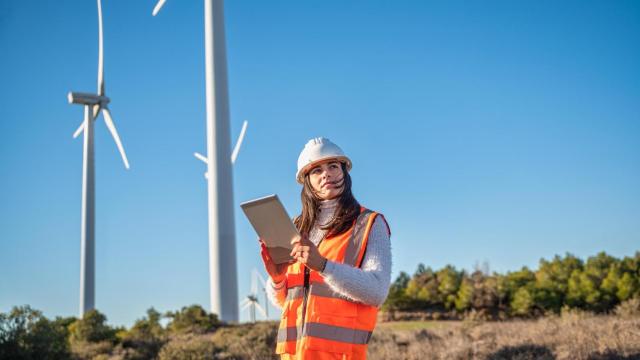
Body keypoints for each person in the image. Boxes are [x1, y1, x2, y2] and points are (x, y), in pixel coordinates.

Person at [258, 137, 392, 360]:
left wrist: (323, 266)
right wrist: (277, 279)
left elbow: (377, 291)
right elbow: (286, 301)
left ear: (344, 172)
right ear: (307, 181)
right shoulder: (296, 228)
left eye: (333, 166)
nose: (326, 174)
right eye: (316, 170)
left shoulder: (368, 223)